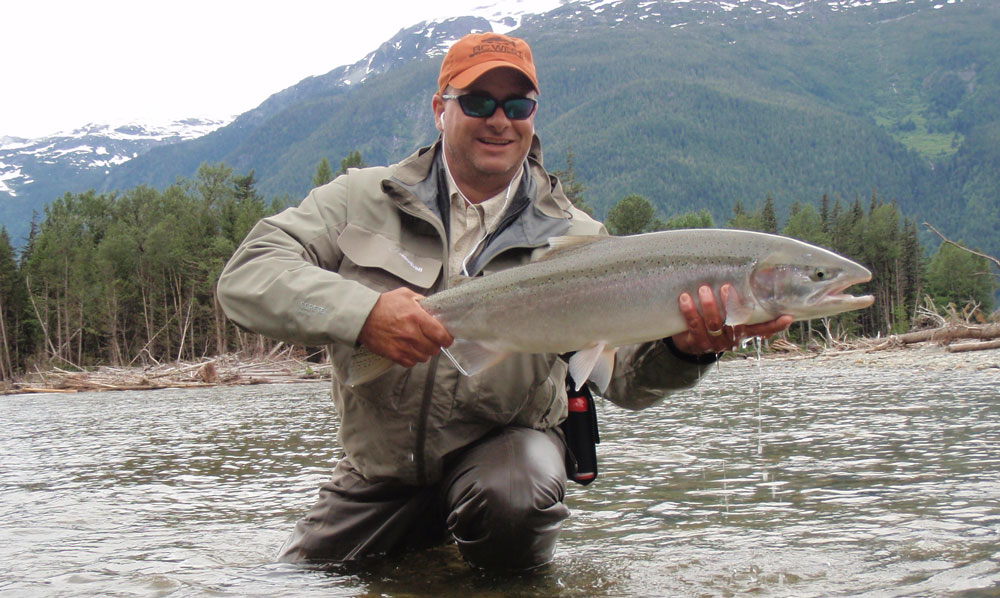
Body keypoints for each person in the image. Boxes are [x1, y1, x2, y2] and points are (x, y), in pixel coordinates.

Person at [217, 32, 791, 570]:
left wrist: (687, 350)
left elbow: (627, 383)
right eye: (478, 102)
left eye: (518, 106)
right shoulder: (358, 199)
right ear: (440, 108)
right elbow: (248, 276)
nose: (500, 120)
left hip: (506, 462)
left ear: (533, 117)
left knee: (514, 495)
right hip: (380, 475)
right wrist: (363, 316)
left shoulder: (579, 240)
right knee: (298, 580)